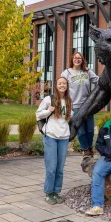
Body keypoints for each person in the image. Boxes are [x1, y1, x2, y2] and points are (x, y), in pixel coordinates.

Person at [36, 77, 73, 205]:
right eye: (60, 83)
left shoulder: (68, 100)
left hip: (63, 137)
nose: (62, 85)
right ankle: (48, 192)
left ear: (67, 86)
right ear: (56, 85)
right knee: (51, 167)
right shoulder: (49, 99)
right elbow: (38, 114)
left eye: (64, 83)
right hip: (51, 136)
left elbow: (69, 115)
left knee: (60, 168)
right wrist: (48, 111)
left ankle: (56, 192)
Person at [61, 52, 99, 159]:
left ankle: (90, 147)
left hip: (88, 105)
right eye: (75, 58)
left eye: (79, 58)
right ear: (72, 60)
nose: (77, 60)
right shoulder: (67, 73)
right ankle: (85, 149)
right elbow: (61, 86)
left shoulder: (87, 71)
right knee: (81, 130)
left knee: (90, 129)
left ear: (82, 60)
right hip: (75, 106)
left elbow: (97, 80)